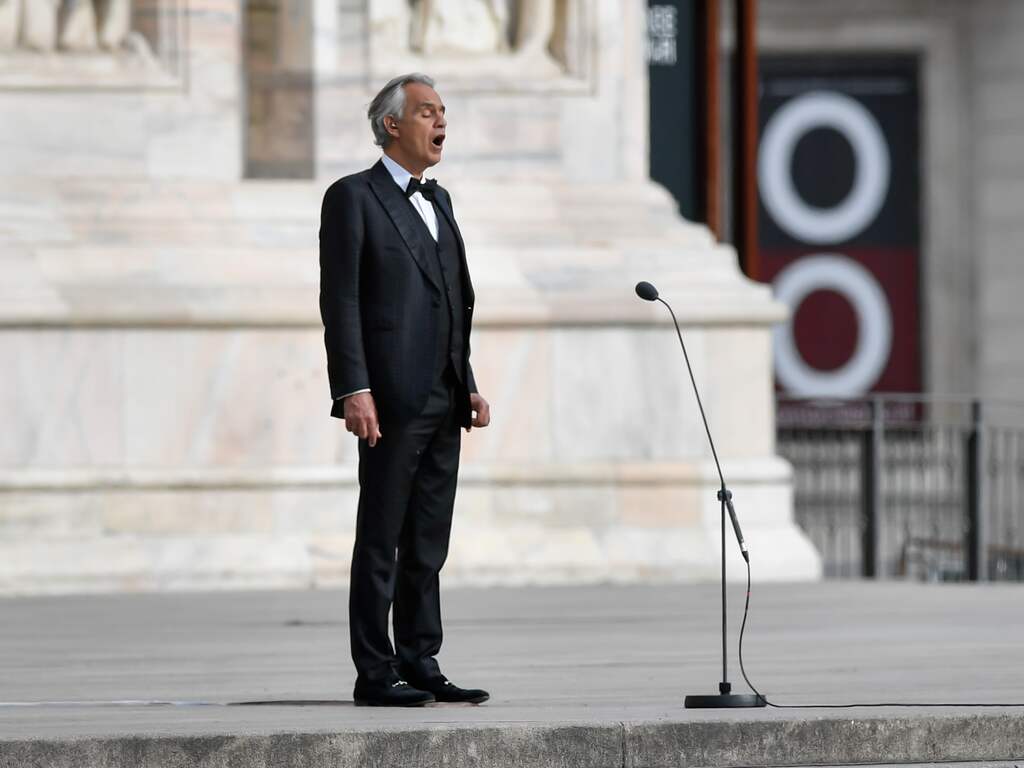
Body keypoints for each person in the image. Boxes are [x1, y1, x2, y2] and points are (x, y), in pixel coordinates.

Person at [318, 73, 492, 707]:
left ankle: (421, 658)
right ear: (392, 125)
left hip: (445, 396)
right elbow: (341, 302)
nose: (440, 121)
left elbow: (454, 301)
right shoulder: (353, 197)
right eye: (427, 111)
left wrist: (467, 382)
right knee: (382, 534)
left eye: (444, 111)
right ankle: (375, 671)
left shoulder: (441, 200)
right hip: (388, 398)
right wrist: (353, 387)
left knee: (428, 539)